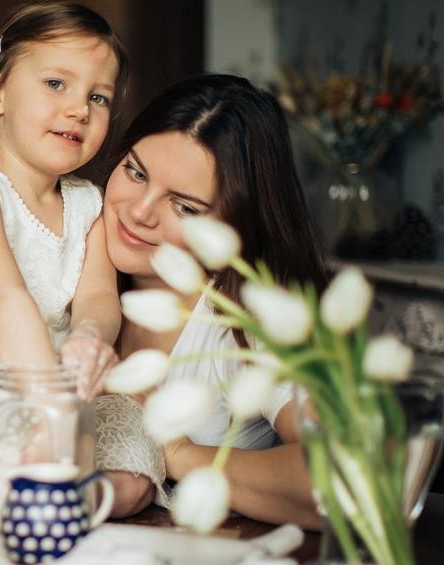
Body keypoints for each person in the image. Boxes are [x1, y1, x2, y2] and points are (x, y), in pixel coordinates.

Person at [0, 2, 159, 510]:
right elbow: (7, 300)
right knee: (1, 466)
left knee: (138, 443)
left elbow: (97, 300)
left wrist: (89, 341)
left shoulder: (89, 202)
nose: (79, 109)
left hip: (64, 400)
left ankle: (81, 501)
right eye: (55, 84)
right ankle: (47, 497)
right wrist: (46, 405)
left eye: (98, 96)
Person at [101, 73, 326, 527]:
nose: (139, 213)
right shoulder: (68, 261)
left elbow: (342, 479)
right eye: (135, 171)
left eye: (184, 207)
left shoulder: (253, 320)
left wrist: (177, 452)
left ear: (237, 225)